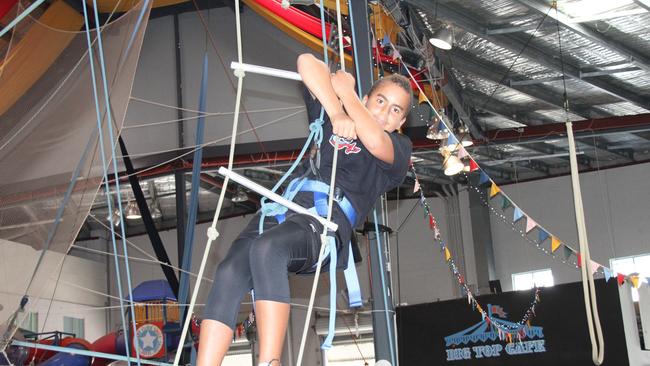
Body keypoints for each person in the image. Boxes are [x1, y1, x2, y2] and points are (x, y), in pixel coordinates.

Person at [197, 53, 413, 366]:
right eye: (380, 101)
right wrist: (337, 109)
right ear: (369, 98)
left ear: (401, 122)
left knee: (267, 250)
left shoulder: (398, 150)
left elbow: (376, 141)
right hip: (283, 209)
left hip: (326, 222)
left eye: (396, 110)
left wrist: (349, 97)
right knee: (230, 269)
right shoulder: (332, 113)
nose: (385, 113)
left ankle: (270, 361)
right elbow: (306, 61)